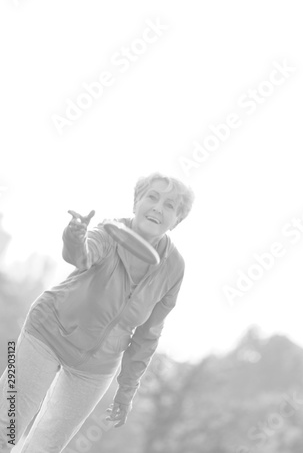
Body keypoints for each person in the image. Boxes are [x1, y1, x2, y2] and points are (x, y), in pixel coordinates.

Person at [0, 172, 194, 452]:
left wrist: (126, 391)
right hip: (48, 331)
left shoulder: (174, 267)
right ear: (136, 202)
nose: (157, 208)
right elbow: (83, 256)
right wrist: (75, 236)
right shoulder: (109, 231)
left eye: (169, 205)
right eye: (152, 197)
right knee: (7, 426)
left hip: (97, 365)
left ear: (177, 220)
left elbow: (148, 333)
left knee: (47, 446)